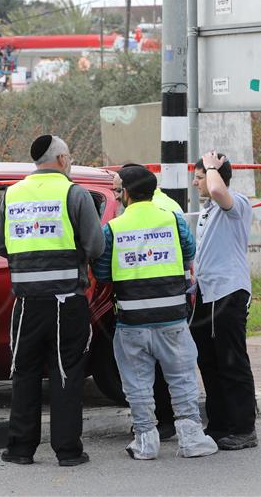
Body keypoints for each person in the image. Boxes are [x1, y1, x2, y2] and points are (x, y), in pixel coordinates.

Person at [0, 135, 105, 467]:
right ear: (61, 159)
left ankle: (20, 449)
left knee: (24, 373)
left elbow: (1, 246)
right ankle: (68, 451)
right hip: (66, 299)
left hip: (26, 302)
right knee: (67, 373)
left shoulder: (12, 195)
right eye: (68, 157)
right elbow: (96, 245)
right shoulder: (74, 193)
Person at [94, 165, 217, 460]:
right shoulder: (172, 220)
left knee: (137, 384)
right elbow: (189, 254)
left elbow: (101, 271)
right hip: (172, 318)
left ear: (126, 194)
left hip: (131, 322)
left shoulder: (114, 227)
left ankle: (146, 442)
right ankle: (192, 440)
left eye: (117, 190)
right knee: (182, 379)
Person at [191, 151, 258, 450]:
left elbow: (219, 189)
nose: (196, 182)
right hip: (206, 294)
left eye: (200, 176)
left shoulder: (237, 203)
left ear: (216, 176)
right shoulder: (207, 211)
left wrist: (212, 166)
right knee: (209, 361)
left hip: (229, 293)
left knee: (232, 361)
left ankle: (244, 428)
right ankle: (218, 424)